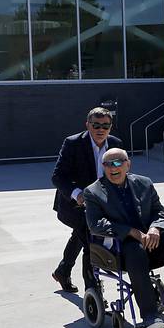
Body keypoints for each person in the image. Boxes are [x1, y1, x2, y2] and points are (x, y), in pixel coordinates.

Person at [84, 148, 164, 328]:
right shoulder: (93, 192)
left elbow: (159, 211)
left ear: (128, 164)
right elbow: (95, 224)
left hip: (151, 241)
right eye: (108, 164)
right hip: (121, 250)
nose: (113, 167)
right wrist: (132, 232)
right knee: (135, 250)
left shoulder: (144, 183)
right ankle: (150, 315)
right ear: (103, 167)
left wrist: (156, 228)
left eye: (118, 162)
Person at [51, 107, 122, 292]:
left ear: (110, 127)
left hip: (101, 205)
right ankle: (93, 291)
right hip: (73, 205)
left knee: (80, 234)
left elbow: (120, 173)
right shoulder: (73, 143)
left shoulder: (115, 144)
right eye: (96, 125)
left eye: (105, 125)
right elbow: (58, 177)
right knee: (91, 242)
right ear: (87, 125)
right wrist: (78, 194)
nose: (101, 129)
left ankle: (62, 271)